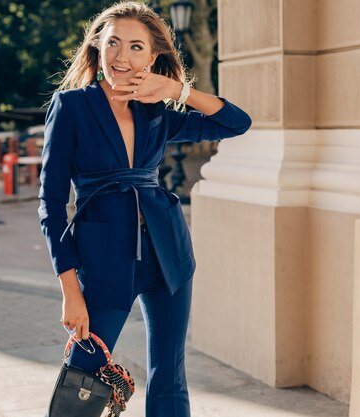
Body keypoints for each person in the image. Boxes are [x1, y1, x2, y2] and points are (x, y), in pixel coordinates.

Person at [38, 2, 252, 416]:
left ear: (152, 59)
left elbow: (236, 123)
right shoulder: (72, 107)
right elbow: (50, 204)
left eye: (136, 47)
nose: (122, 56)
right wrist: (69, 291)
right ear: (98, 47)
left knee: (169, 375)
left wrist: (178, 91)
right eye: (113, 43)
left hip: (167, 254)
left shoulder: (156, 111)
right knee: (82, 378)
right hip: (103, 260)